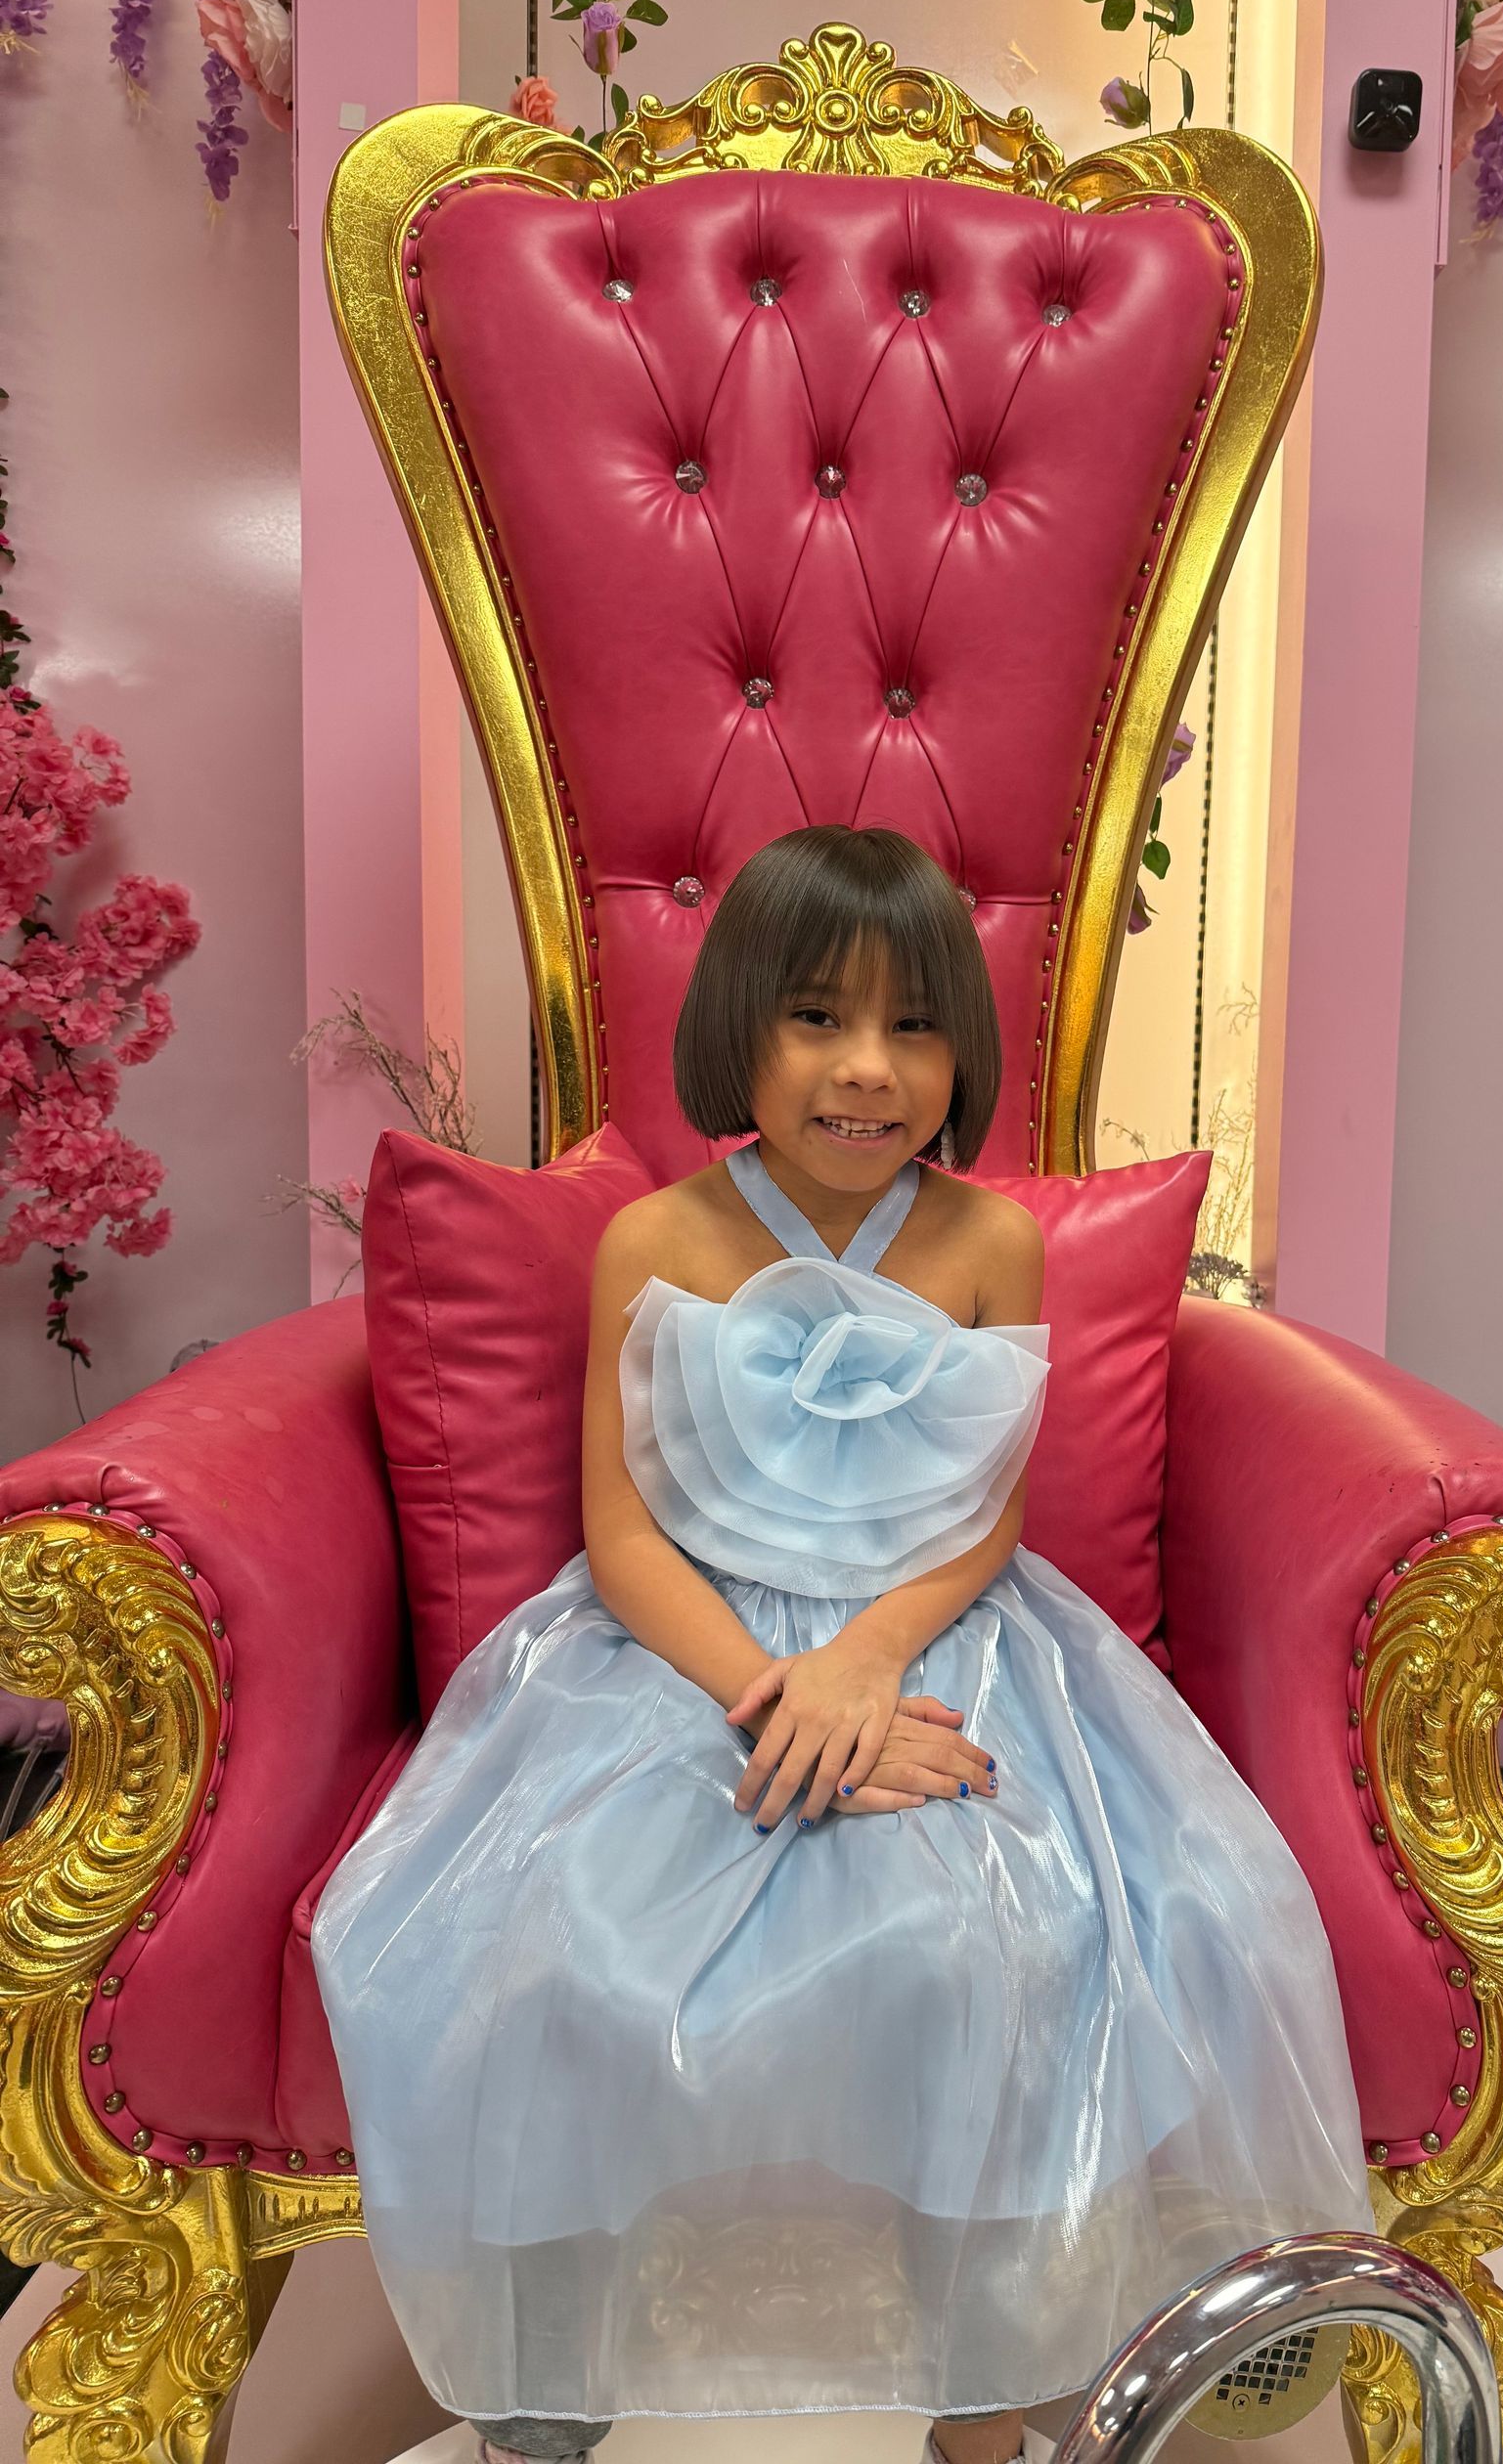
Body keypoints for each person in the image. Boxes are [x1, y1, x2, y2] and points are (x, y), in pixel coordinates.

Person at [312, 823, 1371, 2464]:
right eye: (819, 1018)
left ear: (966, 1047)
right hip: (678, 1654)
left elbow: (983, 1515)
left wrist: (874, 1670)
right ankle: (550, 2399)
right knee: (556, 1943)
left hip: (947, 1641)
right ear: (742, 1022)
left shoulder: (988, 1245)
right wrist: (774, 1696)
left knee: (1031, 1946)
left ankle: (983, 2401)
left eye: (914, 1026)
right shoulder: (654, 1242)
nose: (867, 1072)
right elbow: (621, 1528)